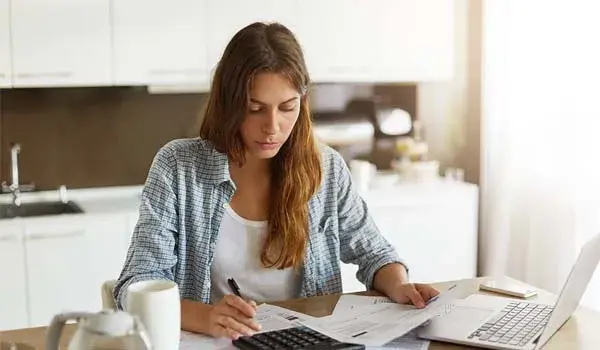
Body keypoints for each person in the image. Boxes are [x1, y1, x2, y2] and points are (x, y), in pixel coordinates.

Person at [113, 22, 439, 340]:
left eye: (287, 107)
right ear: (229, 103)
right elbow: (136, 284)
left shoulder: (326, 169)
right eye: (255, 108)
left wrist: (398, 284)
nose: (272, 127)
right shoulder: (177, 168)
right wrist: (206, 317)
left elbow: (375, 254)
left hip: (307, 341)